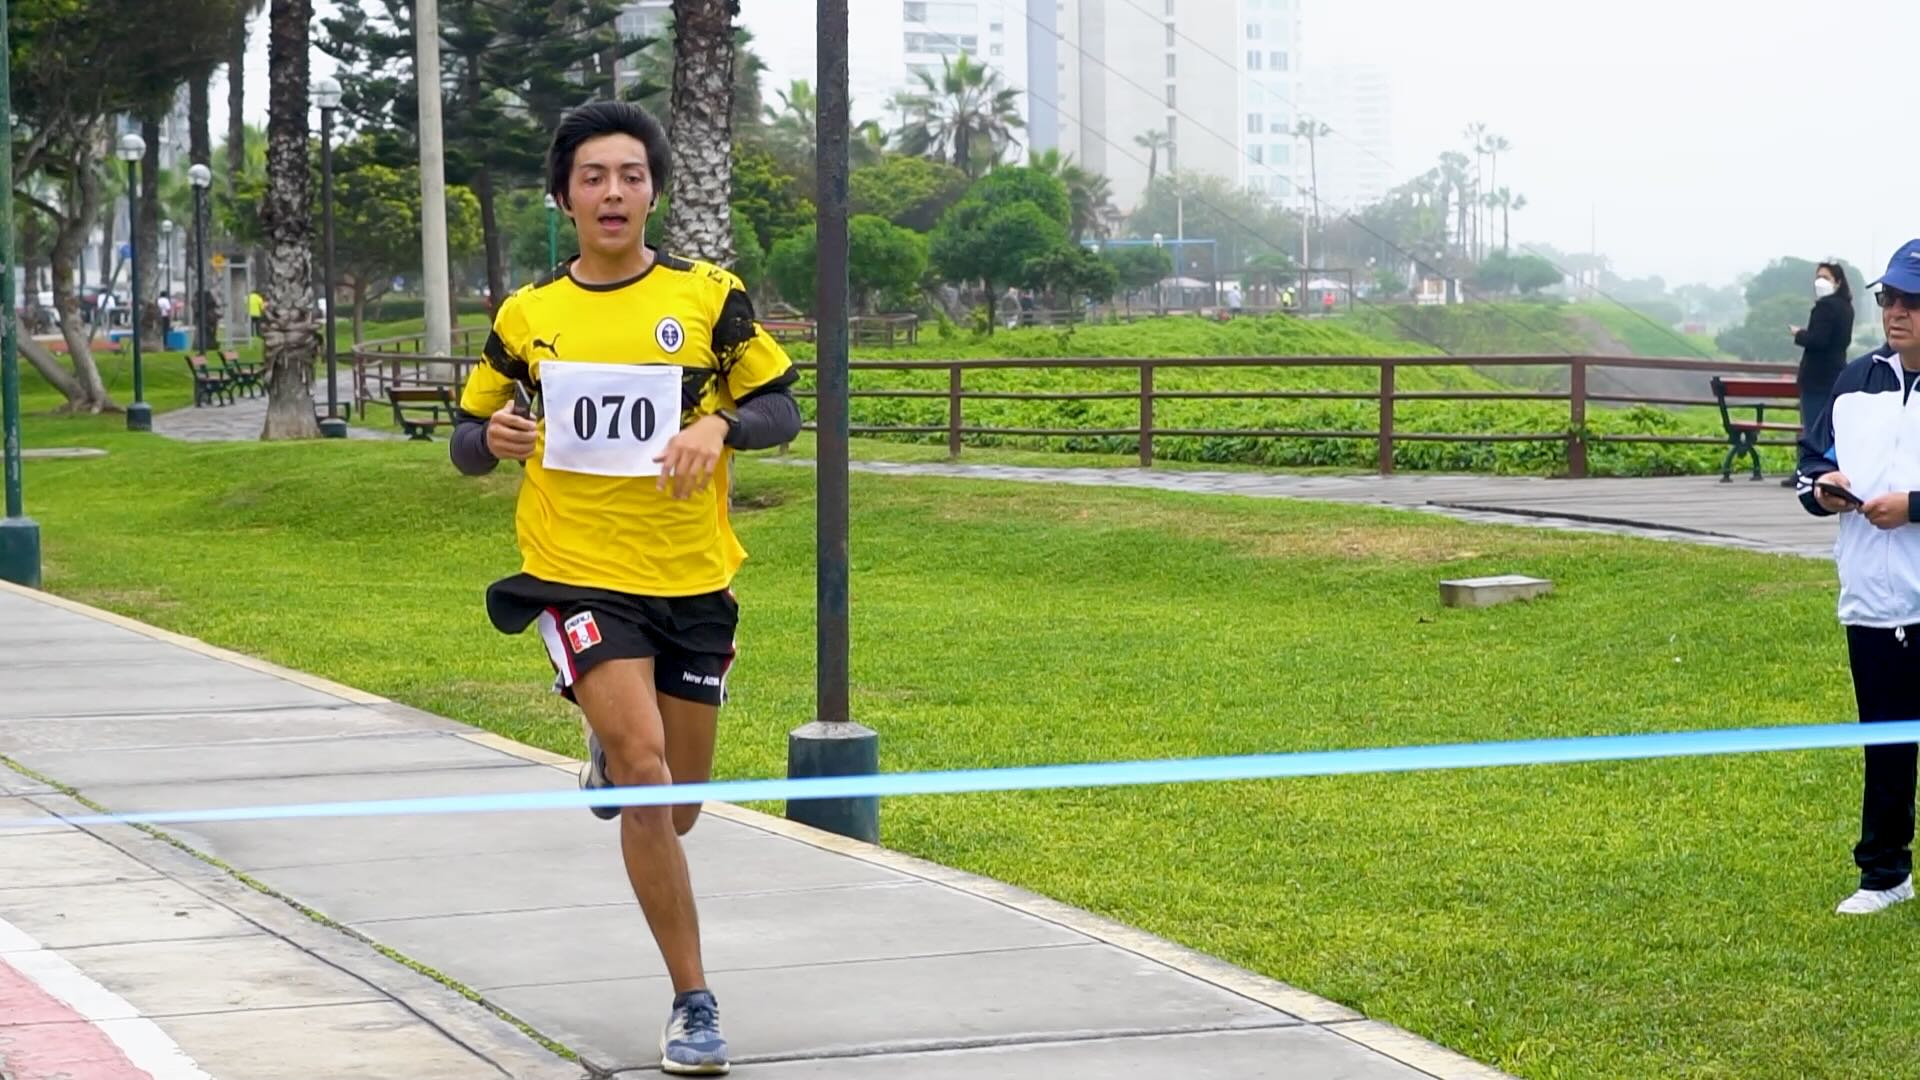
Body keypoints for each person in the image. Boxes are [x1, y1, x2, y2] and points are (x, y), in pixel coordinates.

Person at [448, 100, 802, 1073]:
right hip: (573, 576)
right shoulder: (528, 318)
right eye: (594, 176)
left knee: (679, 803)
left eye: (631, 175)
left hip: (691, 581)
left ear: (653, 190)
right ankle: (694, 1001)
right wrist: (495, 438)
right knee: (648, 776)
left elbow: (781, 406)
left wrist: (719, 426)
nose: (614, 192)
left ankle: (615, 761)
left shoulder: (708, 298)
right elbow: (466, 442)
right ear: (564, 196)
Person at [1796, 238, 1920, 916]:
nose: (1896, 312)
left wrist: (1914, 509)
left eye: (1911, 301)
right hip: (1874, 599)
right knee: (1887, 742)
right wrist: (1824, 489)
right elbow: (1810, 469)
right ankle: (1884, 874)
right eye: (1888, 299)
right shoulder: (1854, 381)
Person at [1785, 261, 1857, 485]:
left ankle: (1807, 472)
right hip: (1836, 373)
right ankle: (1826, 470)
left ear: (1837, 281)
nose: (1820, 281)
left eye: (1825, 277)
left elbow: (1818, 340)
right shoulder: (1846, 308)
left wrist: (1799, 334)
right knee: (1829, 427)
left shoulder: (1825, 307)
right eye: (1818, 276)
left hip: (1817, 378)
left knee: (1813, 427)